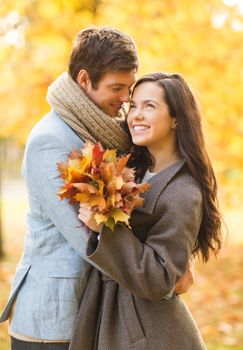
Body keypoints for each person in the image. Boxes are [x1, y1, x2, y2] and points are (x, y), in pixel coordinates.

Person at [0, 28, 191, 349]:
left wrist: (176, 255)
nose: (126, 100)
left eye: (129, 88)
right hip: (54, 317)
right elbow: (89, 234)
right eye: (117, 88)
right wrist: (166, 274)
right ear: (85, 79)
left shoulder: (103, 132)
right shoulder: (52, 141)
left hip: (94, 313)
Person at [71, 72, 222, 349]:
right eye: (134, 106)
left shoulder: (184, 192)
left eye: (149, 106)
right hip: (109, 313)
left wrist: (104, 228)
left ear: (176, 118)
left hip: (148, 331)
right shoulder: (133, 170)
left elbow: (160, 278)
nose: (136, 115)